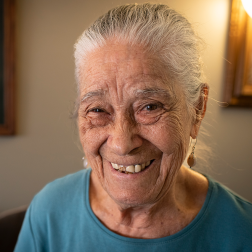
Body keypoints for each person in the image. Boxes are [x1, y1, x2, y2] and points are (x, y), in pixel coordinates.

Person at [14, 3, 252, 252]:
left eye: (149, 107)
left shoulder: (243, 232)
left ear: (197, 109)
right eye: (97, 110)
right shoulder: (49, 211)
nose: (121, 142)